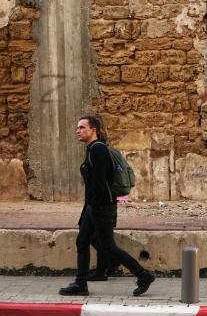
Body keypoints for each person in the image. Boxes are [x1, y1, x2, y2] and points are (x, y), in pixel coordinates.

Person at [59, 115, 155, 296]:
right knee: (82, 241)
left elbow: (101, 182)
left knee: (109, 246)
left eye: (82, 127)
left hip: (101, 207)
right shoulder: (92, 149)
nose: (77, 131)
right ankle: (81, 284)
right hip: (94, 206)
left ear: (93, 130)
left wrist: (94, 208)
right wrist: (86, 211)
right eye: (77, 128)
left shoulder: (97, 150)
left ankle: (143, 275)